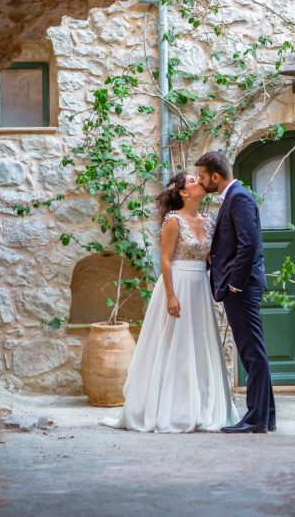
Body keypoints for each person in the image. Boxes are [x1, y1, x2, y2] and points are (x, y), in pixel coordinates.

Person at [102, 172, 239, 433]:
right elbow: (165, 260)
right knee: (174, 346)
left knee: (198, 346)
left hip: (199, 288)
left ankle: (201, 408)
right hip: (177, 285)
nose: (199, 181)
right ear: (183, 193)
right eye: (192, 180)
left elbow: (212, 258)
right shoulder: (173, 221)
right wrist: (171, 295)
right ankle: (168, 410)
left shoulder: (208, 221)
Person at [195, 151, 276, 434]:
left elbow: (249, 244)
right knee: (254, 350)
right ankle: (266, 416)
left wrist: (234, 284)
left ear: (215, 177)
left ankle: (256, 418)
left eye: (202, 177)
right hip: (240, 286)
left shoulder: (238, 198)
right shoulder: (235, 197)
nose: (200, 182)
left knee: (251, 352)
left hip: (242, 288)